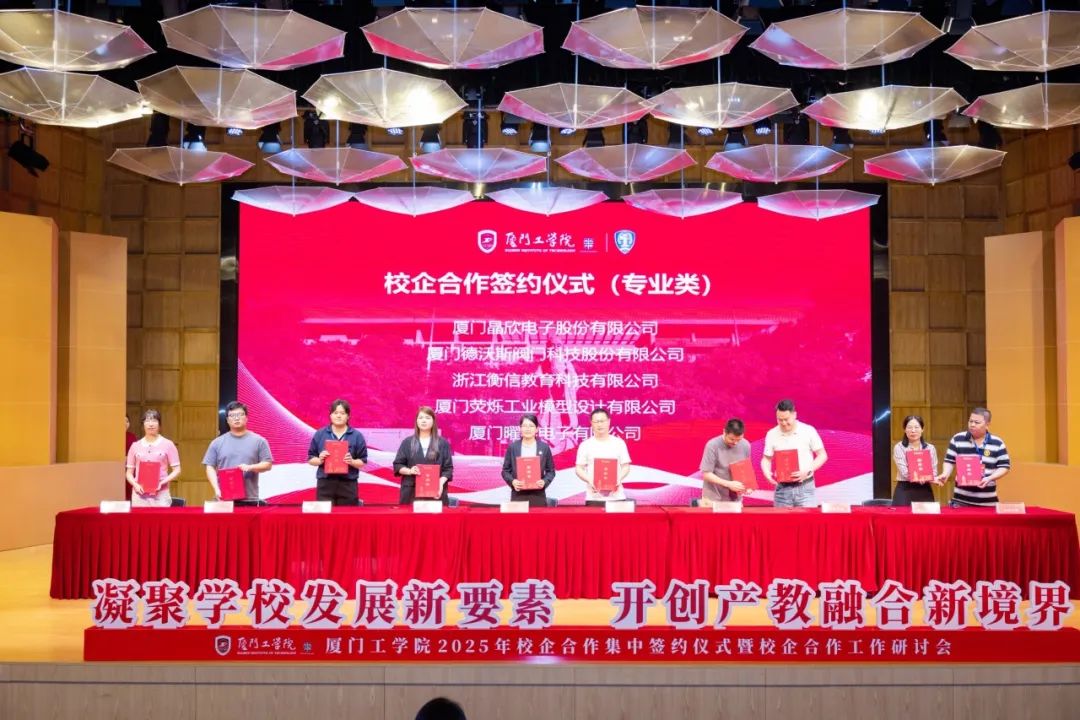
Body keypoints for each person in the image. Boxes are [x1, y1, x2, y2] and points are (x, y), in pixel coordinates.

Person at [937, 407, 1011, 507]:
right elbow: (949, 461)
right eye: (970, 421)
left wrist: (989, 478)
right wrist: (945, 473)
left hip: (988, 502)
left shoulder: (997, 442)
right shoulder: (957, 438)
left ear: (987, 424)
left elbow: (1005, 466)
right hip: (960, 501)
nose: (972, 425)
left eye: (977, 422)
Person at [761, 399, 827, 508]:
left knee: (807, 519)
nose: (783, 423)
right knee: (780, 519)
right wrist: (766, 472)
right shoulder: (772, 434)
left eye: (786, 419)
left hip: (805, 488)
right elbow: (766, 459)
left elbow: (822, 455)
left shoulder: (808, 430)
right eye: (780, 420)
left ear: (794, 415)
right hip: (782, 490)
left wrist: (808, 470)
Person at [202, 401, 273, 503]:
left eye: (240, 414)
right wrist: (216, 489)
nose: (236, 418)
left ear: (246, 418)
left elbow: (268, 464)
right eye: (232, 415)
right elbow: (209, 467)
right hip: (223, 498)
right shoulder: (217, 442)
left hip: (250, 499)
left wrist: (250, 467)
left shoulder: (259, 441)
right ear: (227, 420)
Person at [307, 398, 368, 506]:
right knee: (325, 515)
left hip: (348, 484)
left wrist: (352, 461)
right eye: (335, 413)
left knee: (347, 515)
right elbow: (311, 459)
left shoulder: (357, 436)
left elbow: (363, 461)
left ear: (348, 416)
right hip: (325, 483)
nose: (338, 416)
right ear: (330, 415)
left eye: (342, 413)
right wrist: (320, 460)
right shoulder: (320, 434)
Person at [393, 406, 453, 505]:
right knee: (410, 515)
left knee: (435, 515)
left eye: (427, 418)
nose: (423, 421)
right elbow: (398, 465)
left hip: (435, 492)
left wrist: (440, 483)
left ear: (433, 421)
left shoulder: (442, 443)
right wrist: (409, 471)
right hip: (411, 492)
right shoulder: (407, 442)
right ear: (416, 421)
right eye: (420, 418)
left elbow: (448, 469)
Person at [574, 407, 631, 506]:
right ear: (591, 423)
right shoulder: (585, 445)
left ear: (608, 421)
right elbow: (579, 468)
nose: (599, 424)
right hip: (594, 497)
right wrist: (589, 480)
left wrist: (618, 479)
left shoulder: (619, 443)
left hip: (617, 497)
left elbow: (626, 466)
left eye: (602, 421)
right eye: (596, 422)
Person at [124, 409, 181, 507]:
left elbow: (177, 470)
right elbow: (129, 473)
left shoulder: (168, 444)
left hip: (161, 495)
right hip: (139, 496)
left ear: (159, 424)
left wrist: (162, 482)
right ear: (143, 424)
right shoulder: (135, 446)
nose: (151, 424)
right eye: (147, 421)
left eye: (154, 421)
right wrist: (135, 484)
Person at [501, 413, 557, 507]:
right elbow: (505, 471)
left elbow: (551, 471)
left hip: (538, 495)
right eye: (525, 426)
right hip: (518, 495)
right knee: (518, 517)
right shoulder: (513, 447)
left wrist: (544, 481)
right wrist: (513, 481)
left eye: (531, 426)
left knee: (538, 517)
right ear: (520, 428)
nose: (528, 429)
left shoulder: (544, 447)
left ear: (537, 429)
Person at [699, 418, 753, 506]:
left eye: (739, 440)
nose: (735, 443)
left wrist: (748, 485)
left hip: (735, 500)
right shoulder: (712, 445)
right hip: (713, 500)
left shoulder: (746, 445)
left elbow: (745, 469)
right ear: (724, 432)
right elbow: (706, 474)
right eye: (732, 439)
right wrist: (728, 484)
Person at [891, 414, 940, 506]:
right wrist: (923, 477)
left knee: (927, 516)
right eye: (909, 427)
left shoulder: (930, 448)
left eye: (916, 427)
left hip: (924, 490)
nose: (913, 431)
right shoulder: (899, 447)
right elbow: (904, 472)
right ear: (905, 430)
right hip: (905, 490)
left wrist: (933, 478)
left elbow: (934, 471)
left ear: (922, 429)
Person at [124, 414, 137, 501]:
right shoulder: (112, 437)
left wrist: (127, 459)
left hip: (130, 470)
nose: (125, 423)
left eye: (127, 421)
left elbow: (136, 453)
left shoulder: (132, 436)